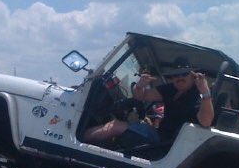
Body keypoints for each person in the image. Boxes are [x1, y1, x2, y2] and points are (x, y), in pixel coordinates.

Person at [83, 57, 214, 145]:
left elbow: (206, 121)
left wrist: (205, 92)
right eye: (175, 75)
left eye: (184, 74)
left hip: (167, 142)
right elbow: (141, 96)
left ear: (193, 75)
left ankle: (76, 141)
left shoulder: (199, 95)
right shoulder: (172, 89)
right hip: (159, 133)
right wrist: (140, 85)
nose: (179, 78)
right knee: (119, 126)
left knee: (114, 126)